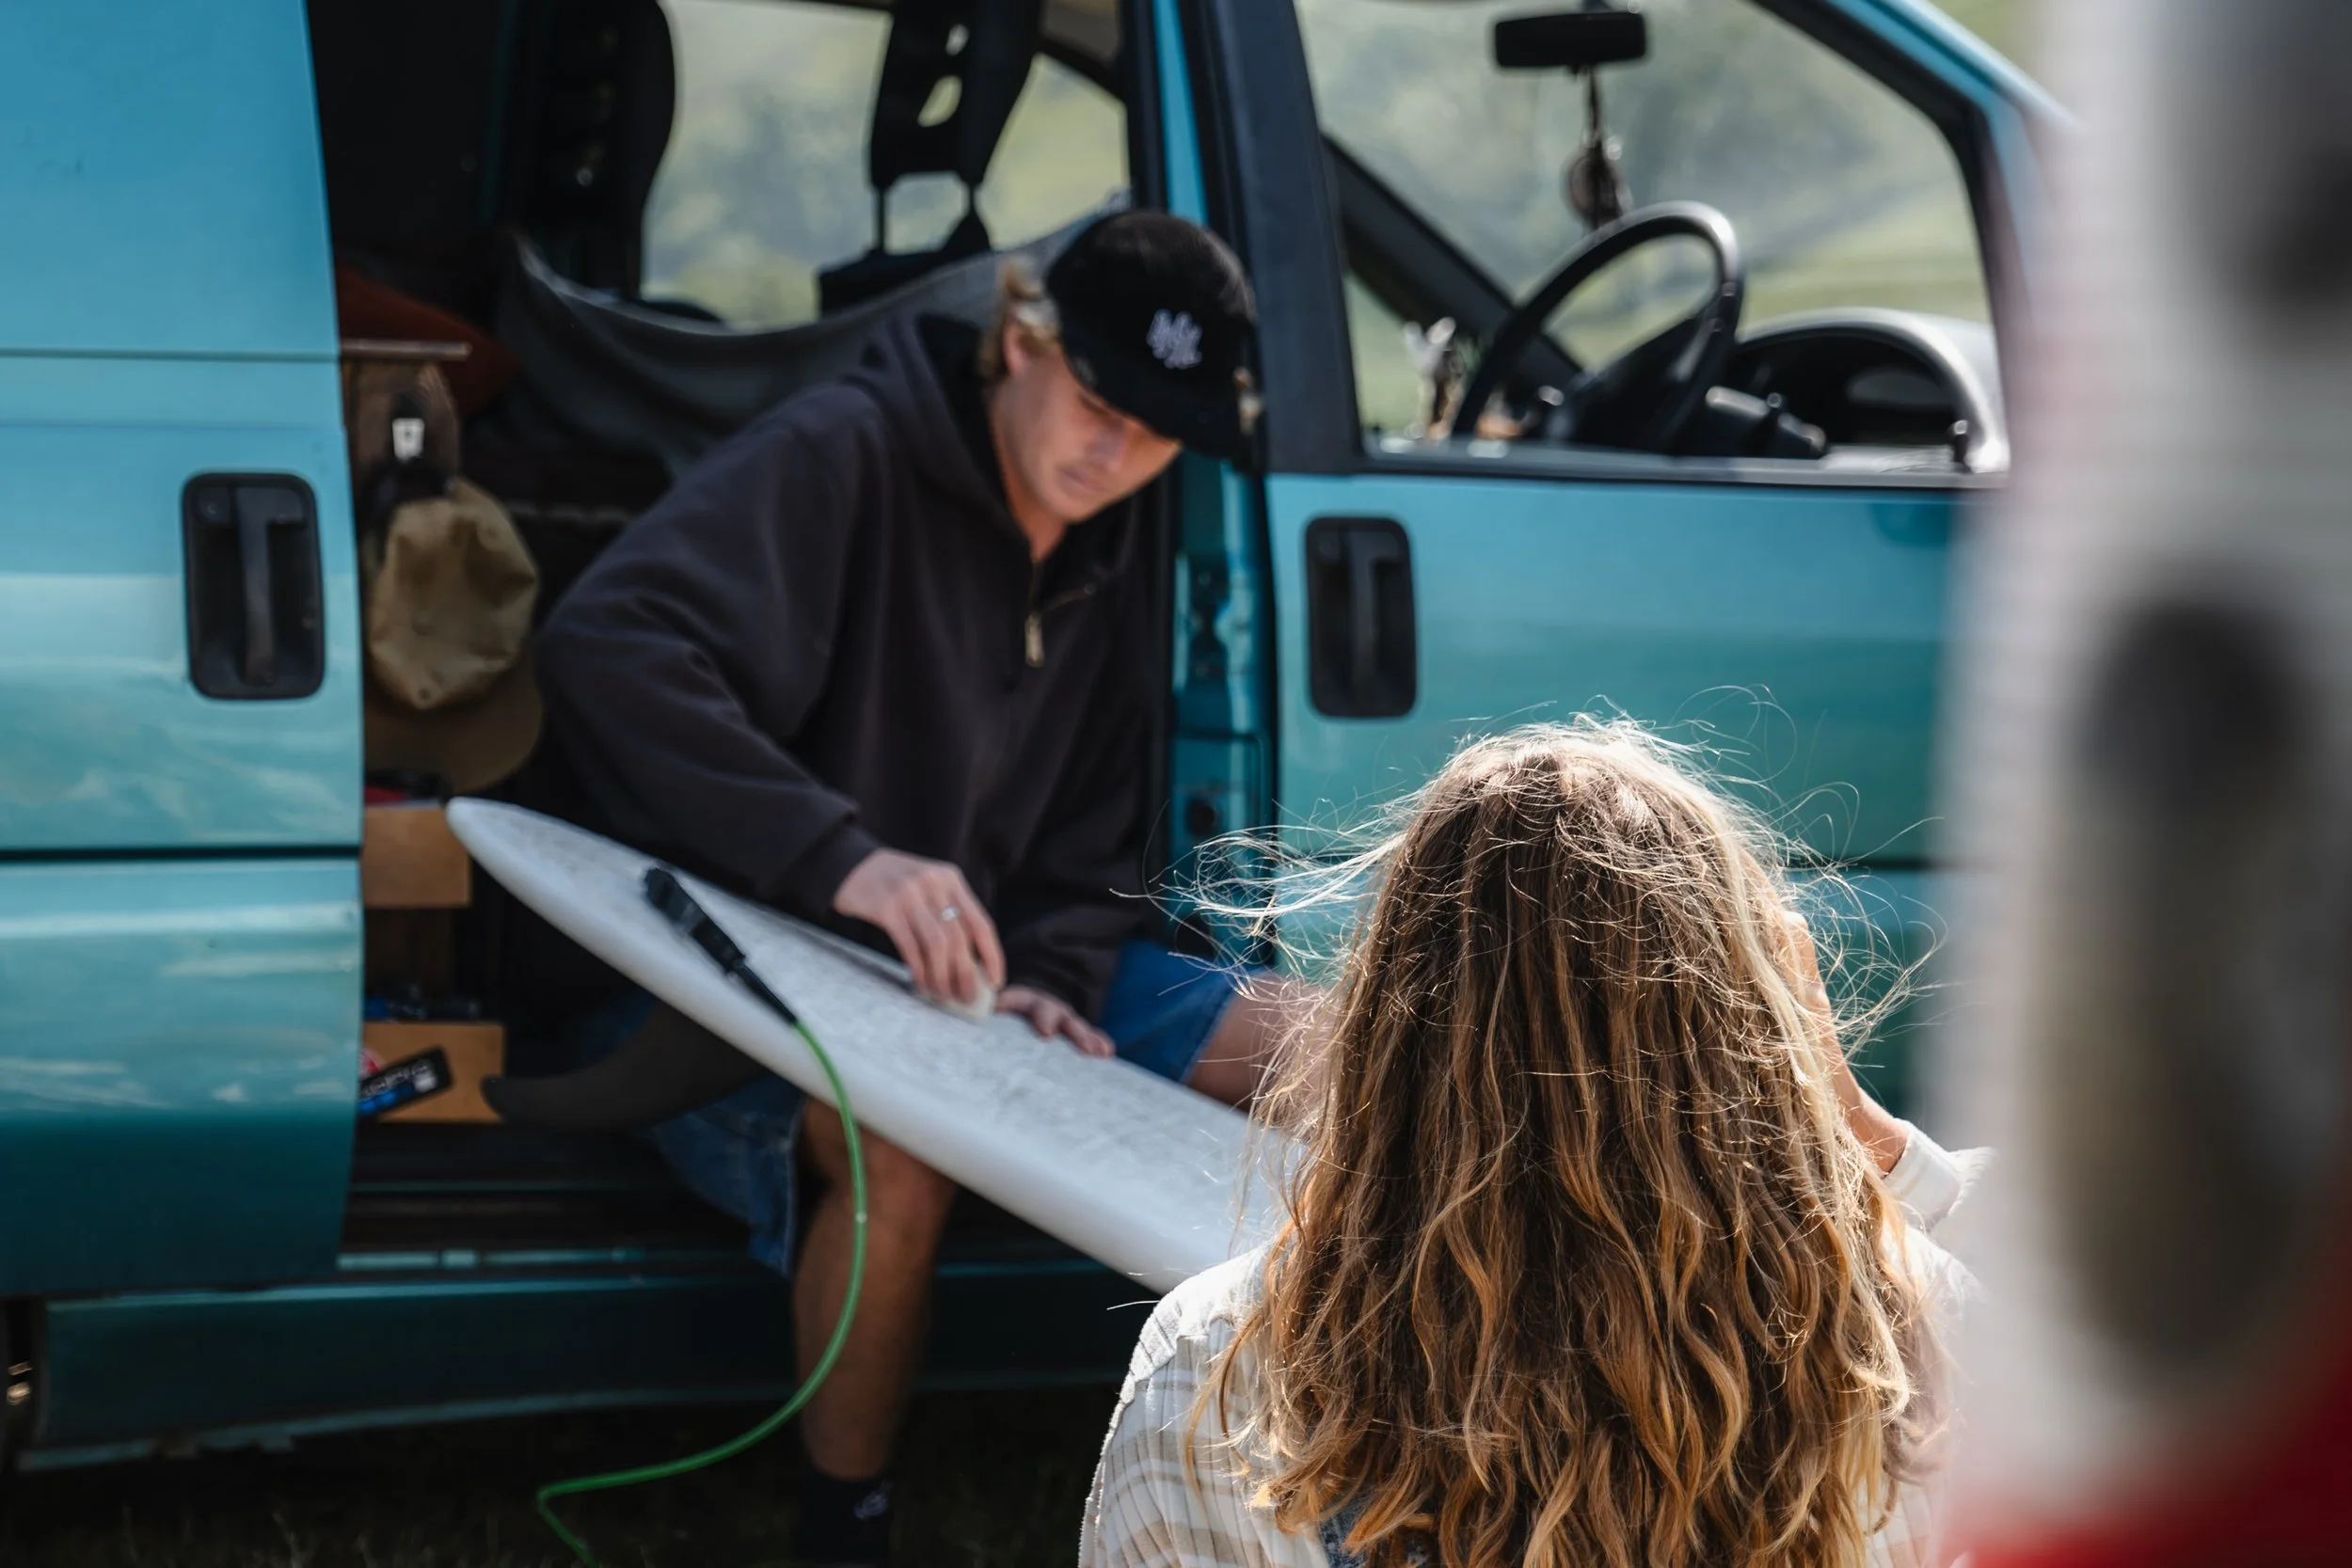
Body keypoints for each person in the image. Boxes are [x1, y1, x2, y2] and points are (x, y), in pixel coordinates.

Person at [523, 211, 1286, 1568]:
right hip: (750, 957)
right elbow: (607, 641)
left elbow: (1087, 833)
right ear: (1018, 340)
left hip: (998, 973)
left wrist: (1047, 976)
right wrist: (840, 856)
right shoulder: (846, 452)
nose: (1115, 450)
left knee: (1335, 1044)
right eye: (1099, 400)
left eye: (1157, 428)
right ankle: (848, 1529)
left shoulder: (1113, 531)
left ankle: (1454, 1468)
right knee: (905, 1147)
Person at [1081, 722, 1981, 1568]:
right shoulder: (1899, 1340)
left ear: (1386, 1031)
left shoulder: (1213, 1366)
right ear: (1755, 1022)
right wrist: (1869, 1135)